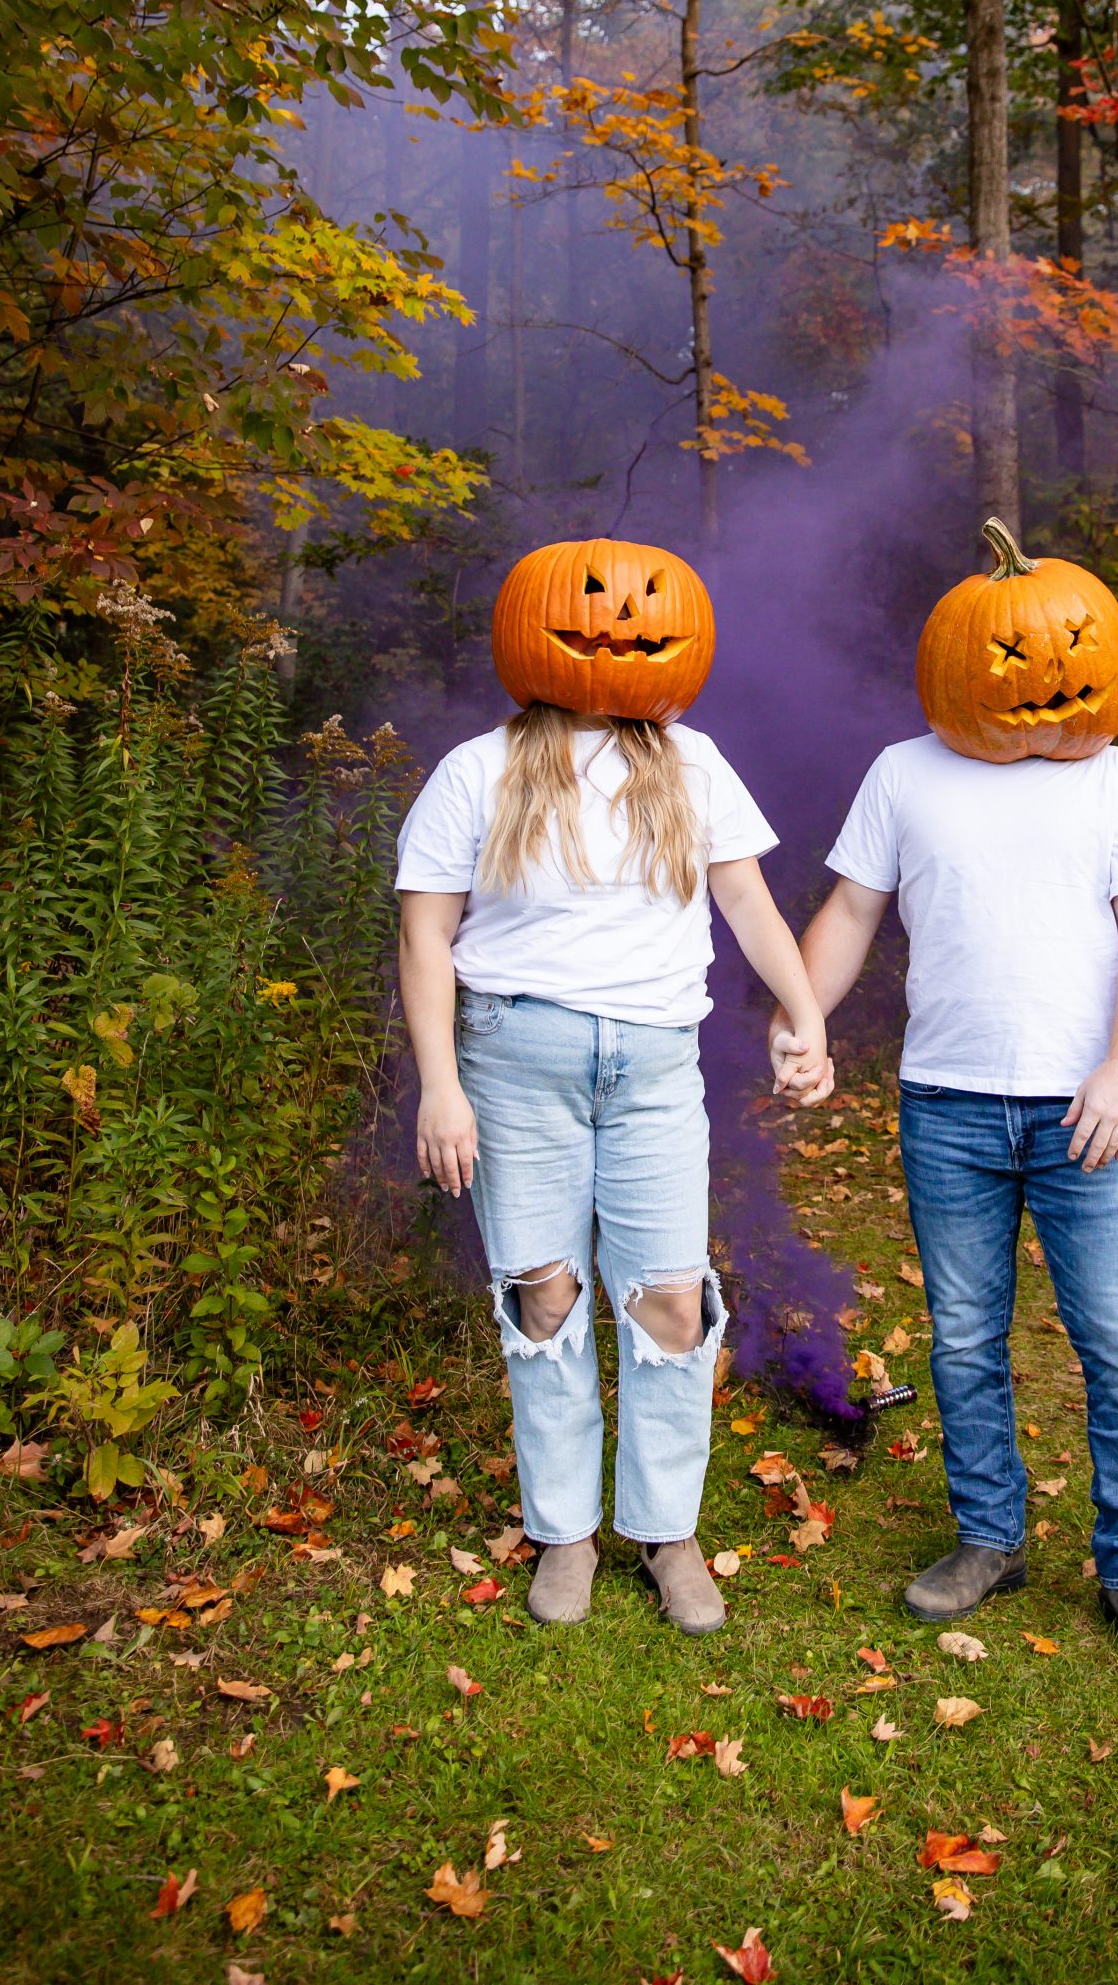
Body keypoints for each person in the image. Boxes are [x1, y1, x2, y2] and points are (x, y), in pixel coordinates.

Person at [780, 522, 1118, 1681]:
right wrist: (801, 1021)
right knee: (965, 1338)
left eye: (1065, 652)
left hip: (1086, 1112)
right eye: (1010, 657)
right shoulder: (904, 773)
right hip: (948, 1109)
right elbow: (852, 913)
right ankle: (990, 1538)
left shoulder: (1116, 779)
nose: (1040, 677)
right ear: (964, 664)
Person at [396, 536, 831, 1636]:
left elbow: (747, 903)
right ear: (535, 621)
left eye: (644, 607)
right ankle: (564, 1533)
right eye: (591, 604)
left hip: (650, 1068)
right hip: (513, 1061)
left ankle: (666, 1530)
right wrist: (440, 1085)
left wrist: (806, 1010)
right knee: (546, 1296)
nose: (617, 619)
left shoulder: (693, 763)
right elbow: (424, 931)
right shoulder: (476, 769)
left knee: (672, 1303)